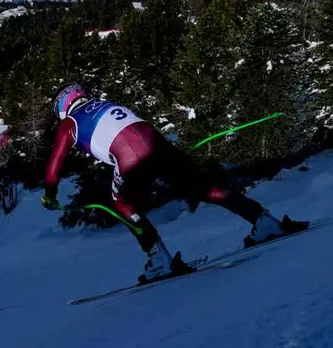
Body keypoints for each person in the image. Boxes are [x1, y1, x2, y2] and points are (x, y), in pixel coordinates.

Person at [41, 83, 305, 282]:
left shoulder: (69, 124)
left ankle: (158, 260)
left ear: (63, 107)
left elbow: (54, 167)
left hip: (130, 157)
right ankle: (264, 221)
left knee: (121, 203)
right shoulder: (105, 103)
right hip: (158, 144)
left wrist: (50, 196)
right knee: (202, 188)